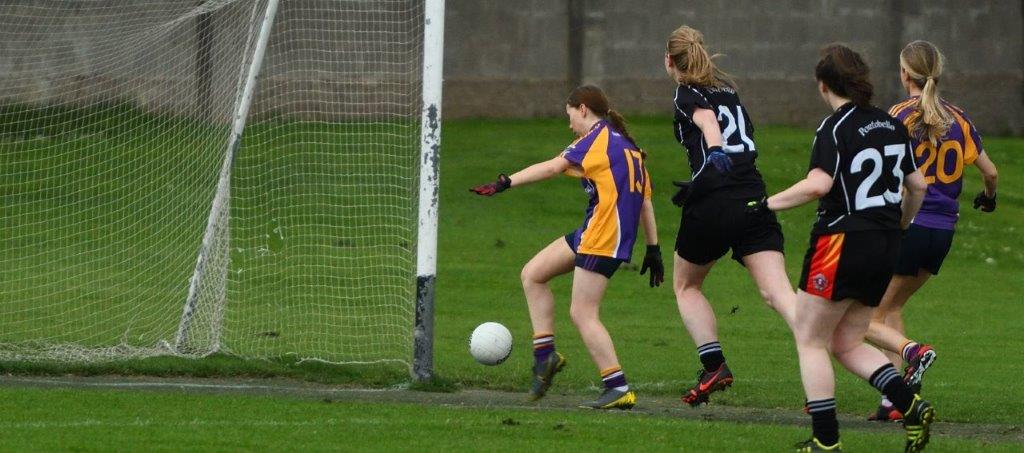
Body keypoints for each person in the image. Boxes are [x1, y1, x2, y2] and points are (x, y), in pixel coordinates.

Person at [750, 44, 933, 451]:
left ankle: (825, 439)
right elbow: (917, 186)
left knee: (810, 337)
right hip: (886, 243)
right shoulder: (891, 124)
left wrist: (766, 204)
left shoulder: (834, 127)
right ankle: (909, 404)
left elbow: (819, 185)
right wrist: (901, 223)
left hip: (841, 240)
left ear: (823, 85)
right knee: (847, 342)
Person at [470, 85, 664, 409]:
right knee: (533, 274)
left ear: (583, 109)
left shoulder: (595, 140)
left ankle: (617, 387)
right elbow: (645, 201)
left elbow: (552, 167)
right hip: (597, 232)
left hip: (602, 235)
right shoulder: (629, 146)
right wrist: (654, 248)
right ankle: (545, 356)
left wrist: (506, 182)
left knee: (583, 312)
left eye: (570, 115)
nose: (569, 123)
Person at [864, 40, 999, 422]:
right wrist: (988, 199)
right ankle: (897, 399)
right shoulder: (960, 118)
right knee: (891, 308)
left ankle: (913, 355)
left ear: (904, 73)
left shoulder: (898, 115)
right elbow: (990, 172)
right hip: (942, 233)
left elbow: (883, 168)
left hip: (908, 225)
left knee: (861, 319)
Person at [662, 25, 797, 406]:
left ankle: (714, 365)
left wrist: (714, 154)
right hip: (755, 197)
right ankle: (819, 354)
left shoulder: (686, 93)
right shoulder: (730, 93)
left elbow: (707, 124)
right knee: (780, 295)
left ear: (669, 61)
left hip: (714, 201)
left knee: (687, 286)